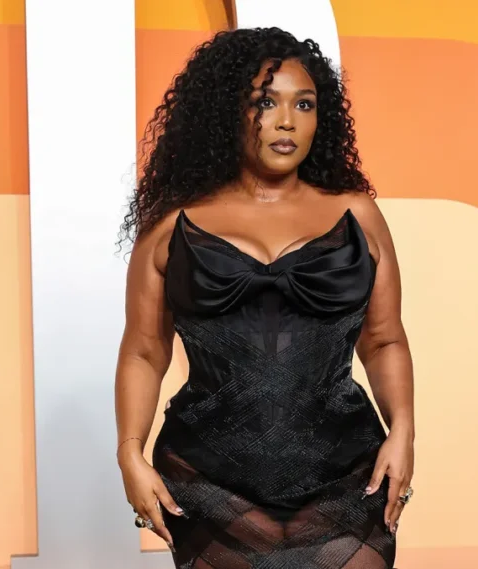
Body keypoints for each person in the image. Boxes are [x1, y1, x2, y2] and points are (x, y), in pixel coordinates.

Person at [114, 27, 415, 569]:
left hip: (346, 472)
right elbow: (143, 350)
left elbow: (385, 338)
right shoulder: (170, 225)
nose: (286, 121)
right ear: (226, 113)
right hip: (208, 478)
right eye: (264, 103)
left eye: (304, 104)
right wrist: (129, 453)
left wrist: (404, 432)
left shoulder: (358, 215)